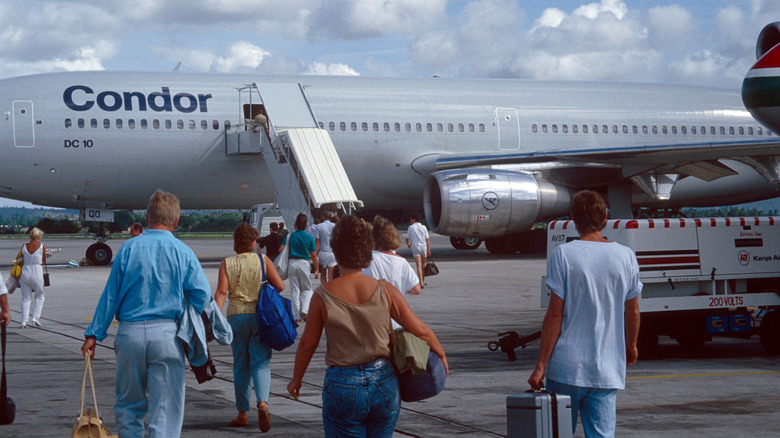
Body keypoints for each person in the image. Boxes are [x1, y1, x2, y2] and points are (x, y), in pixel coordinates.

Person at [287, 215, 448, 437]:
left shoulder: (322, 296)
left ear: (335, 250)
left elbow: (307, 344)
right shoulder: (385, 289)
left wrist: (296, 379)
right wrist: (441, 358)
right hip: (384, 381)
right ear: (367, 251)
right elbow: (420, 329)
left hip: (343, 383)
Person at [81, 190, 212, 438]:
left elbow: (111, 296)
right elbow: (202, 295)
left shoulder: (128, 249)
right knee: (165, 410)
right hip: (166, 335)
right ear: (175, 221)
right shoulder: (182, 251)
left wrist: (93, 335)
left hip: (130, 335)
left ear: (147, 218)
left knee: (129, 406)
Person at [528, 190, 642, 438]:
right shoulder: (626, 256)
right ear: (605, 218)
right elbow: (632, 310)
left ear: (572, 218)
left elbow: (555, 316)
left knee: (557, 433)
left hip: (567, 367)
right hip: (606, 369)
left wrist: (540, 366)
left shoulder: (563, 254)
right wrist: (631, 345)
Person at [215, 222, 285, 432]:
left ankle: (242, 414)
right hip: (259, 316)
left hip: (236, 316)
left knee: (240, 364)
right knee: (260, 363)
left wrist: (216, 318)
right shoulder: (262, 260)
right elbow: (280, 286)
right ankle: (262, 403)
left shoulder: (227, 263)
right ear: (254, 243)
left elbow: (221, 293)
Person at [363, 215, 421, 330]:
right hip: (396, 324)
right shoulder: (401, 261)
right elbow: (416, 289)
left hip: (372, 324)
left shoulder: (366, 260)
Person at [279, 213, 318, 322]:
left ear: (296, 224)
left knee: (295, 290)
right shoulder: (310, 237)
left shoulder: (289, 236)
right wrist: (317, 269)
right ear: (306, 225)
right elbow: (314, 255)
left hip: (292, 262)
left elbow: (280, 250)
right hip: (304, 263)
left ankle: (297, 316)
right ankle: (304, 310)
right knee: (307, 289)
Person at [19, 227, 47, 328]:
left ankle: (23, 321)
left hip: (25, 271)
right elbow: (43, 261)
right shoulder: (42, 246)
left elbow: (18, 259)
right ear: (38, 236)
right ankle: (35, 317)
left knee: (25, 298)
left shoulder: (24, 246)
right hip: (37, 271)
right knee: (40, 296)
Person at [405, 213, 431, 288]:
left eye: (411, 219)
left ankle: (421, 283)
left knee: (418, 266)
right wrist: (428, 250)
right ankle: (423, 281)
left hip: (416, 247)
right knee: (423, 266)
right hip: (424, 247)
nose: (410, 220)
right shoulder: (424, 227)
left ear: (413, 219)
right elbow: (428, 240)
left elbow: (407, 238)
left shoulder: (411, 227)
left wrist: (408, 245)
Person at [315, 211, 338, 283]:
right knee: (331, 274)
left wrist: (315, 252)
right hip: (332, 252)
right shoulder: (334, 226)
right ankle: (330, 291)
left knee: (323, 273)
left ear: (323, 217)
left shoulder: (318, 226)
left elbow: (317, 241)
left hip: (323, 252)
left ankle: (324, 290)